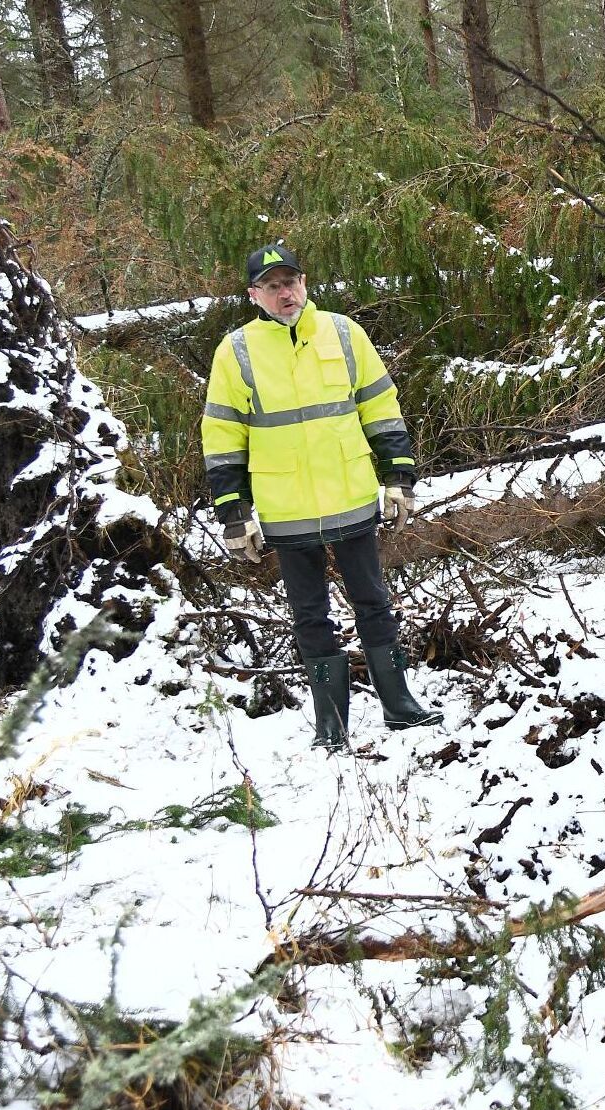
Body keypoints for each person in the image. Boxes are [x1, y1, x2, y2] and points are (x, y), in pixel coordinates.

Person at [200, 243, 441, 749]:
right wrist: (234, 513)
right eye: (272, 285)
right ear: (254, 295)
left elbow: (381, 408)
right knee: (310, 617)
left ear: (304, 284)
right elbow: (223, 438)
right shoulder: (237, 351)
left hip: (350, 494)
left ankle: (399, 705)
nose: (285, 292)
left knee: (374, 602)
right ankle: (331, 726)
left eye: (291, 281)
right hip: (285, 508)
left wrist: (399, 477)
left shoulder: (343, 333)